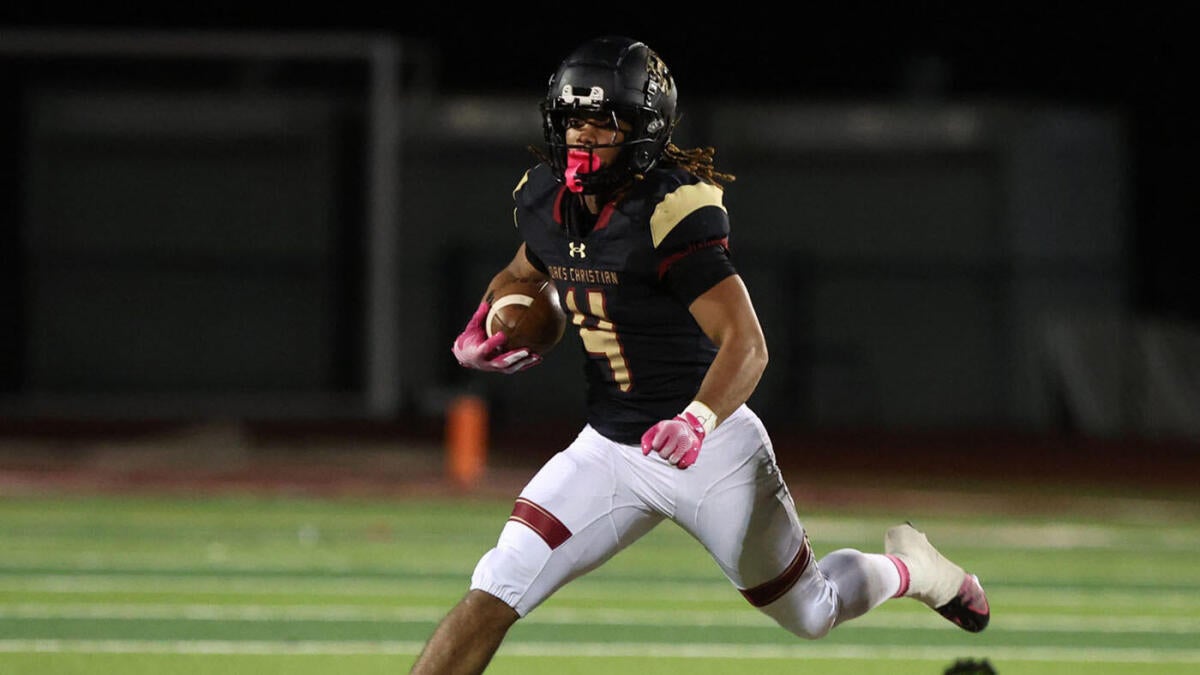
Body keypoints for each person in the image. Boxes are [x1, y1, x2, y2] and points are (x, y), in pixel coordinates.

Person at [410, 35, 989, 675]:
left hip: (709, 447)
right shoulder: (545, 197)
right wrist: (489, 317)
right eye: (573, 119)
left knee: (811, 611)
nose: (582, 136)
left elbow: (748, 344)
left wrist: (696, 421)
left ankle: (915, 569)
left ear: (643, 131)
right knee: (495, 587)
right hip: (608, 449)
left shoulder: (669, 210)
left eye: (603, 122)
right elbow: (526, 271)